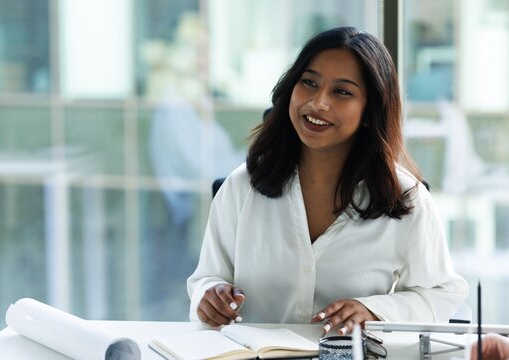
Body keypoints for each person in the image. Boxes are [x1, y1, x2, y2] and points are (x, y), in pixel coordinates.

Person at [187, 26, 469, 335]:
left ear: (369, 110)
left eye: (342, 91)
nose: (318, 103)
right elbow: (206, 278)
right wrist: (208, 297)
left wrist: (375, 310)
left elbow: (441, 294)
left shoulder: (405, 198)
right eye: (309, 82)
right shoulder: (241, 187)